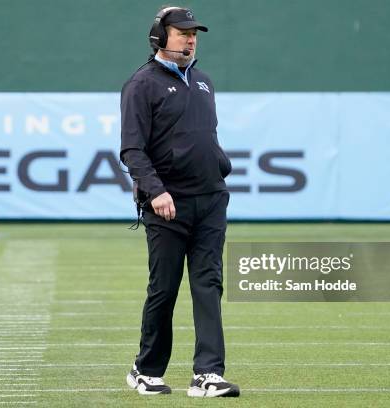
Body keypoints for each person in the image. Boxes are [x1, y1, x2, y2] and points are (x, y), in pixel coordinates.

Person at [120, 6, 239, 398]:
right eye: (181, 32)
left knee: (209, 284)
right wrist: (156, 191)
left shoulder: (203, 81)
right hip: (166, 205)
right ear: (159, 36)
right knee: (165, 288)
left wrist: (221, 166)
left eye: (194, 33)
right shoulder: (141, 84)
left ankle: (207, 374)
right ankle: (145, 370)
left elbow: (208, 134)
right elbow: (132, 150)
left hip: (210, 200)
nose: (190, 39)